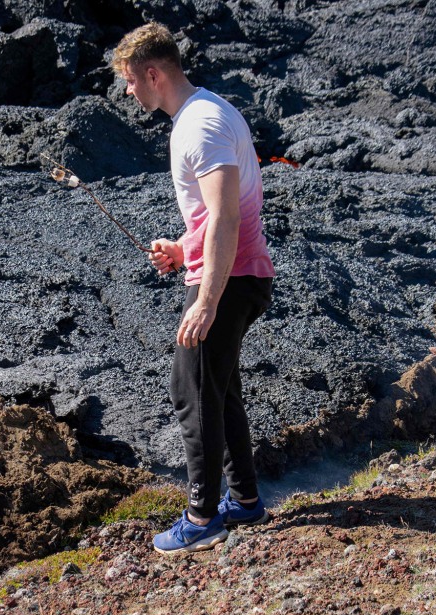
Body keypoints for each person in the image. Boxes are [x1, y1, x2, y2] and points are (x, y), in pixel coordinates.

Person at [110, 23, 276, 554]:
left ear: (153, 73)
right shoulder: (208, 111)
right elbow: (215, 217)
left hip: (228, 278)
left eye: (131, 82)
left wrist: (205, 298)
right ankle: (245, 500)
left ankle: (203, 517)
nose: (129, 91)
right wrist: (185, 249)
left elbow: (229, 216)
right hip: (233, 272)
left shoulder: (199, 125)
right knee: (219, 388)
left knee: (192, 391)